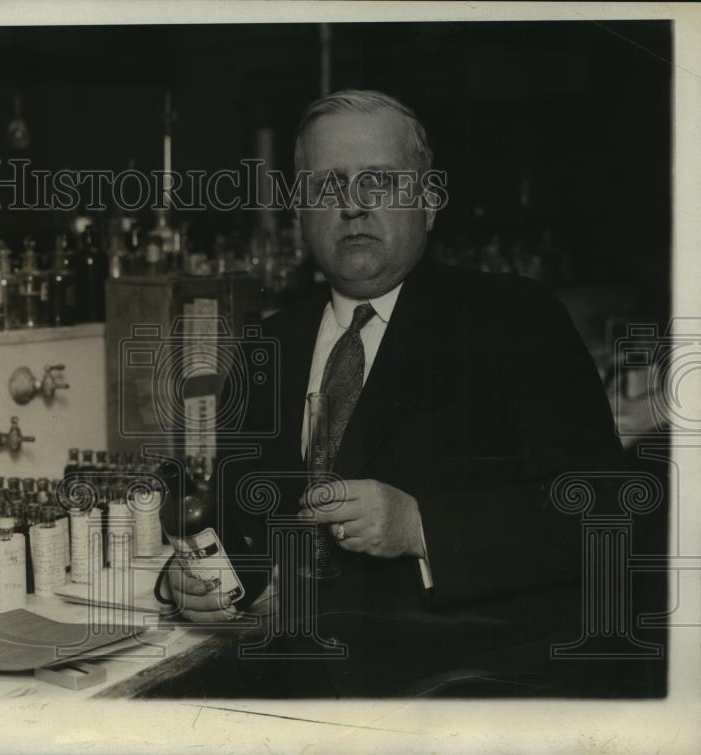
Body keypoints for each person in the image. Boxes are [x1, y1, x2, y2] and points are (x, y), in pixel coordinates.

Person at [162, 90, 634, 697]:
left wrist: (419, 526)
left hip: (457, 691)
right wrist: (189, 579)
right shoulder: (266, 346)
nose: (353, 206)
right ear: (300, 210)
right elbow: (232, 522)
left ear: (429, 203)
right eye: (328, 186)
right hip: (291, 682)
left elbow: (605, 512)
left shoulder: (514, 319)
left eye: (380, 183)